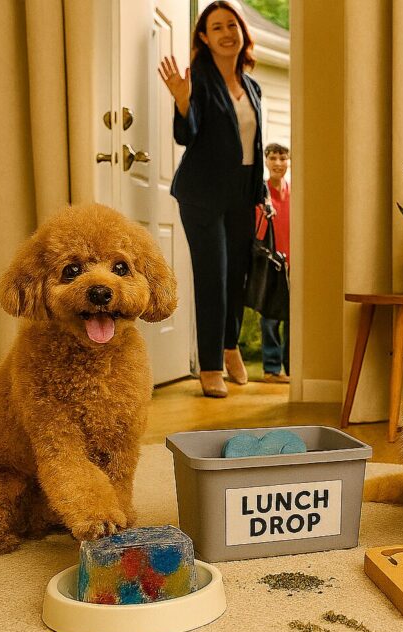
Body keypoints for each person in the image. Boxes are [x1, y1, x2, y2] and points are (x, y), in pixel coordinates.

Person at [158, 1, 265, 398]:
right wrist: (183, 101)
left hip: (242, 191)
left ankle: (230, 345)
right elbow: (187, 135)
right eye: (216, 27)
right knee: (213, 277)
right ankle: (209, 366)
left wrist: (261, 193)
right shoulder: (198, 80)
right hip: (202, 193)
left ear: (242, 32)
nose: (226, 33)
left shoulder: (251, 86)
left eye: (231, 25)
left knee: (239, 275)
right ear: (204, 37)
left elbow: (252, 144)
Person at [255, 143, 290, 383]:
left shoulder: (295, 194)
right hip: (270, 264)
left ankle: (292, 369)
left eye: (283, 158)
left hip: (293, 263)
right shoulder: (261, 194)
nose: (278, 163)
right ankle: (271, 368)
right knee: (269, 317)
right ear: (266, 161)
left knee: (292, 319)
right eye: (273, 158)